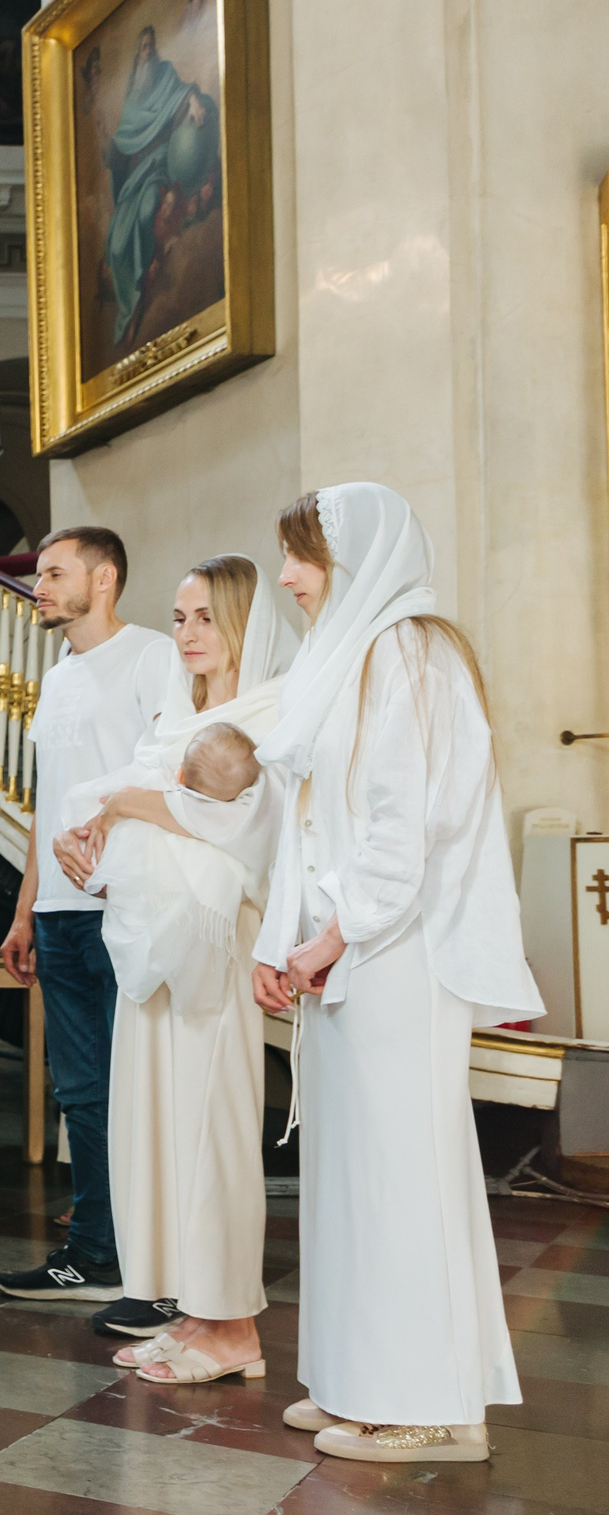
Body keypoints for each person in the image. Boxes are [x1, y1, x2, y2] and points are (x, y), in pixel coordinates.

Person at [251, 485, 542, 1463]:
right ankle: (360, 1380)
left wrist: (330, 938)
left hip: (396, 955)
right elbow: (309, 818)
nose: (285, 576)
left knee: (401, 1174)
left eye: (301, 556)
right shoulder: (348, 655)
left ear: (360, 557)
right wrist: (283, 943)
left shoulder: (406, 650)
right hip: (348, 955)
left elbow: (400, 826)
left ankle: (427, 1404)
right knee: (352, 1178)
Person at [58, 559, 287, 1375]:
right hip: (148, 943)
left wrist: (121, 805)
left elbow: (233, 821)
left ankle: (236, 1328)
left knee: (211, 1126)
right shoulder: (177, 714)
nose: (187, 633)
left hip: (215, 948)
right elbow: (140, 789)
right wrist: (89, 825)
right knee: (153, 1123)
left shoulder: (269, 712)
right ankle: (191, 1310)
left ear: (243, 622)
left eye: (204, 618)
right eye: (180, 616)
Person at [0, 526, 169, 1307]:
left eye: (54, 572)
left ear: (104, 579)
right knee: (82, 1091)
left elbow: (173, 783)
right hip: (60, 912)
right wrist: (26, 908)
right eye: (39, 572)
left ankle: (154, 1256)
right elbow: (46, 799)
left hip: (124, 902)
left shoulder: (153, 656)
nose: (40, 583)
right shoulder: (57, 675)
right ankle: (96, 1249)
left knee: (139, 1086)